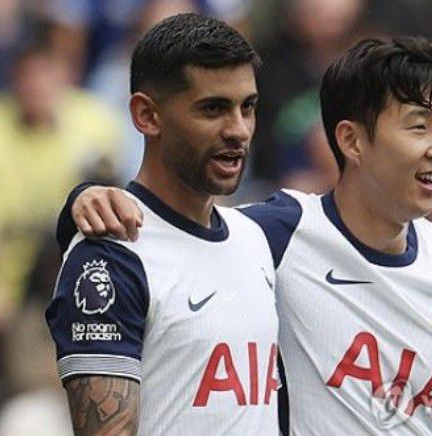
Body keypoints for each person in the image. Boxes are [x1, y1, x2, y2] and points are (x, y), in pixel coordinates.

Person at [60, 37, 432, 434]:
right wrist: (83, 201)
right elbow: (172, 235)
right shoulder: (279, 234)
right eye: (418, 126)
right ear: (352, 141)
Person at [45, 13, 279, 435]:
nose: (239, 130)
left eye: (248, 107)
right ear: (147, 115)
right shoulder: (111, 256)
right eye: (213, 109)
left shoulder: (257, 236)